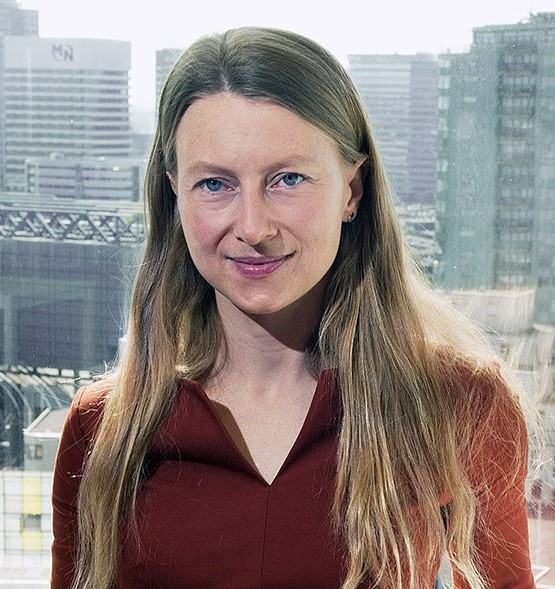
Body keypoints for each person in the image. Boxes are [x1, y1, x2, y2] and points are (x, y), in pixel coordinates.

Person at [51, 27, 536, 589]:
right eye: (214, 185)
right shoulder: (102, 431)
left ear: (352, 192)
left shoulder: (459, 404)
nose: (253, 227)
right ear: (175, 196)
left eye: (287, 179)